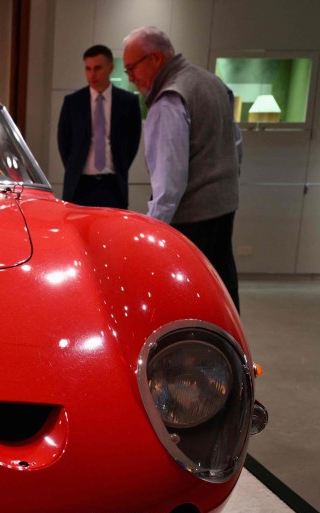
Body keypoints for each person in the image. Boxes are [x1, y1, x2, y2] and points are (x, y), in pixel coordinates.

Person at [123, 26, 242, 310]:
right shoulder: (212, 82)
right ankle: (230, 352)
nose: (130, 78)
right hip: (224, 208)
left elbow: (169, 184)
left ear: (156, 58)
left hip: (192, 221)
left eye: (132, 68)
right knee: (222, 291)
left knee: (189, 301)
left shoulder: (169, 100)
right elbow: (236, 145)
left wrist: (153, 234)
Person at [56, 44, 142, 209]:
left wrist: (120, 165)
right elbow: (64, 142)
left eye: (97, 68)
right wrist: (74, 166)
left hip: (113, 185)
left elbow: (132, 142)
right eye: (88, 69)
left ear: (110, 68)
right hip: (80, 185)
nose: (92, 74)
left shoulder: (128, 102)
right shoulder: (73, 102)